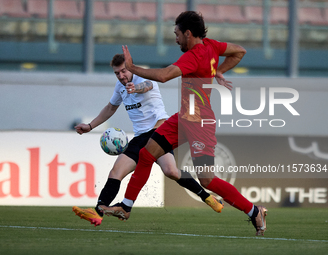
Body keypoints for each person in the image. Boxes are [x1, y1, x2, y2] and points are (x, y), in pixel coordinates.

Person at [99, 12, 268, 236]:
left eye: (177, 34)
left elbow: (163, 75)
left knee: (207, 179)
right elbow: (240, 51)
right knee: (147, 153)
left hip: (200, 122)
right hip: (183, 117)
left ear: (188, 33)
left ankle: (254, 210)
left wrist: (132, 67)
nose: (176, 39)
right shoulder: (211, 45)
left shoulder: (194, 55)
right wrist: (218, 70)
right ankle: (126, 206)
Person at [72, 53, 224, 227]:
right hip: (140, 137)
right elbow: (110, 107)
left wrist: (135, 89)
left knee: (171, 172)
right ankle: (98, 212)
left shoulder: (141, 77)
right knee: (116, 172)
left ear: (130, 67)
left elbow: (148, 85)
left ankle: (207, 197)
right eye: (117, 73)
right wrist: (90, 126)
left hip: (159, 132)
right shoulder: (119, 87)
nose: (121, 76)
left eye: (123, 71)